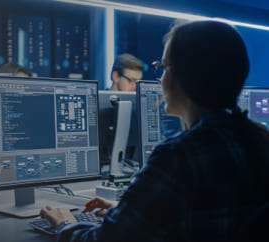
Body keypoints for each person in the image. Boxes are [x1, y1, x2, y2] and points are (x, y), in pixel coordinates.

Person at [40, 20, 269, 242]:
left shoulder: (178, 155)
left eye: (163, 67)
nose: (160, 79)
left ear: (183, 76)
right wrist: (133, 210)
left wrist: (64, 223)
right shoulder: (259, 140)